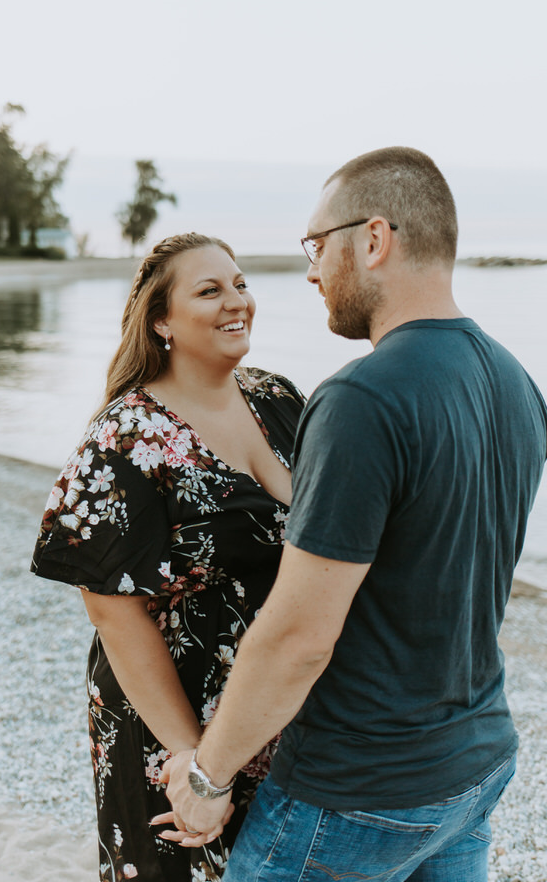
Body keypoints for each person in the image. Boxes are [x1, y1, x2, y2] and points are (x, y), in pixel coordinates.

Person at [163, 148, 547, 882]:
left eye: (317, 245)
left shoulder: (361, 401)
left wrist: (209, 778)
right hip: (474, 767)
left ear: (373, 240)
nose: (309, 271)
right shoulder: (516, 382)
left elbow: (301, 634)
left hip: (356, 793)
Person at [31, 232, 305, 882]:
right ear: (161, 320)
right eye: (209, 289)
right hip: (174, 723)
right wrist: (195, 764)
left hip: (272, 711)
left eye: (240, 283)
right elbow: (112, 613)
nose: (236, 301)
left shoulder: (277, 400)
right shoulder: (124, 438)